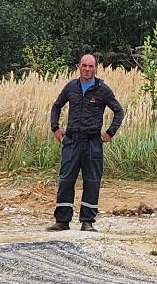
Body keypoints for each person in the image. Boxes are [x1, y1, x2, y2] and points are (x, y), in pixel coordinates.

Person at [49, 53, 124, 231]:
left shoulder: (103, 90)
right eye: (84, 66)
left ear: (96, 68)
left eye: (91, 66)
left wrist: (110, 132)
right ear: (79, 67)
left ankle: (87, 221)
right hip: (72, 141)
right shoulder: (71, 87)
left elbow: (118, 111)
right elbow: (56, 106)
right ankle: (62, 220)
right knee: (66, 179)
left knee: (91, 181)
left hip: (93, 143)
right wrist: (55, 128)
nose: (87, 69)